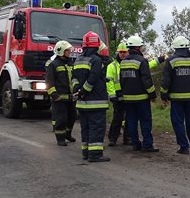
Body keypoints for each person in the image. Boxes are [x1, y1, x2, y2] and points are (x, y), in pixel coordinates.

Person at [160, 36, 190, 155]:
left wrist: (163, 95)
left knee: (178, 122)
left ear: (175, 47)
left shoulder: (171, 61)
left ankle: (184, 147)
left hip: (176, 98)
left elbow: (165, 81)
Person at [72, 31, 110, 162]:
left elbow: (74, 78)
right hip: (96, 101)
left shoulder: (78, 59)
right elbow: (92, 79)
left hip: (82, 103)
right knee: (97, 128)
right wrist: (84, 91)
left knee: (85, 128)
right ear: (96, 45)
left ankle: (86, 152)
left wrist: (78, 90)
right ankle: (95, 154)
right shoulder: (96, 60)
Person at [120, 35, 159, 153]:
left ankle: (135, 144)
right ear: (137, 47)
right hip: (142, 98)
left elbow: (121, 80)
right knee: (145, 121)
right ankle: (147, 145)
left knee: (131, 121)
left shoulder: (123, 62)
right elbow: (146, 80)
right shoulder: (142, 61)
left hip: (128, 98)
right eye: (141, 46)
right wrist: (152, 94)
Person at [45, 40, 76, 146]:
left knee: (72, 117)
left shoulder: (70, 63)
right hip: (59, 98)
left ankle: (68, 134)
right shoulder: (53, 65)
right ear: (61, 51)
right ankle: (60, 138)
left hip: (71, 97)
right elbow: (49, 81)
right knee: (61, 119)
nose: (70, 52)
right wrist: (54, 95)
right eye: (67, 50)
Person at [107, 42, 131, 146]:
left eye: (124, 52)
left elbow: (146, 65)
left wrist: (158, 60)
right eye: (121, 52)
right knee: (118, 118)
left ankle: (128, 139)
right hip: (117, 96)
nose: (122, 54)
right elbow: (109, 82)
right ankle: (113, 138)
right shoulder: (112, 66)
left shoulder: (131, 63)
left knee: (129, 118)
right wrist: (112, 95)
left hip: (129, 94)